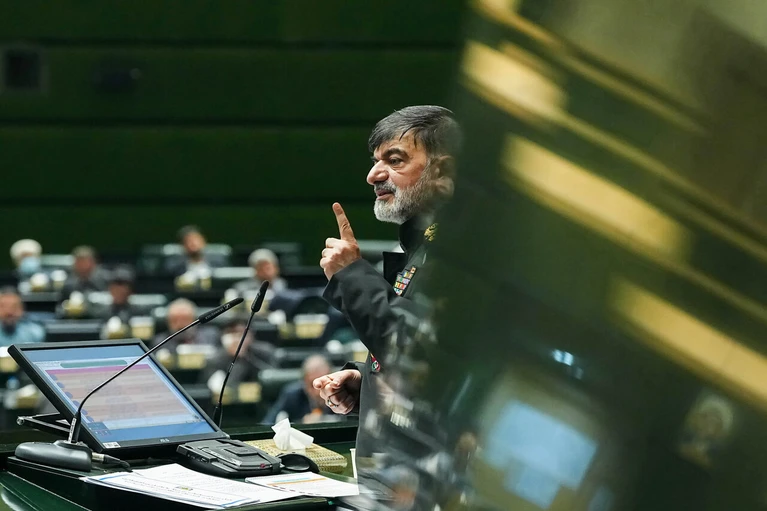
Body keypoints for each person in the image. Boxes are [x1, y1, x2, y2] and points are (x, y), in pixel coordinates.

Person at [312, 106, 461, 456]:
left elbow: (421, 356)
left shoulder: (467, 252)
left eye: (394, 160)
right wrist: (368, 384)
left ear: (443, 171)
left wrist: (351, 275)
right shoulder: (424, 245)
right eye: (375, 161)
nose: (373, 175)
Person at [263, 354, 335, 425]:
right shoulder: (292, 395)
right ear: (304, 381)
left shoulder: (338, 392)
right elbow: (267, 424)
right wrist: (300, 425)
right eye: (312, 385)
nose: (317, 392)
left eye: (323, 385)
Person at [200, 320, 273, 389]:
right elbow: (228, 386)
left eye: (240, 334)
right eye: (232, 333)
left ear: (251, 336)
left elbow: (270, 379)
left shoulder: (263, 353)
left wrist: (245, 356)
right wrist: (238, 360)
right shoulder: (214, 360)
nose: (236, 339)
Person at [151, 298, 220, 353]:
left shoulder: (211, 337)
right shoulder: (159, 342)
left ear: (193, 319)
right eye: (175, 320)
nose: (180, 324)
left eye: (185, 319)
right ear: (168, 321)